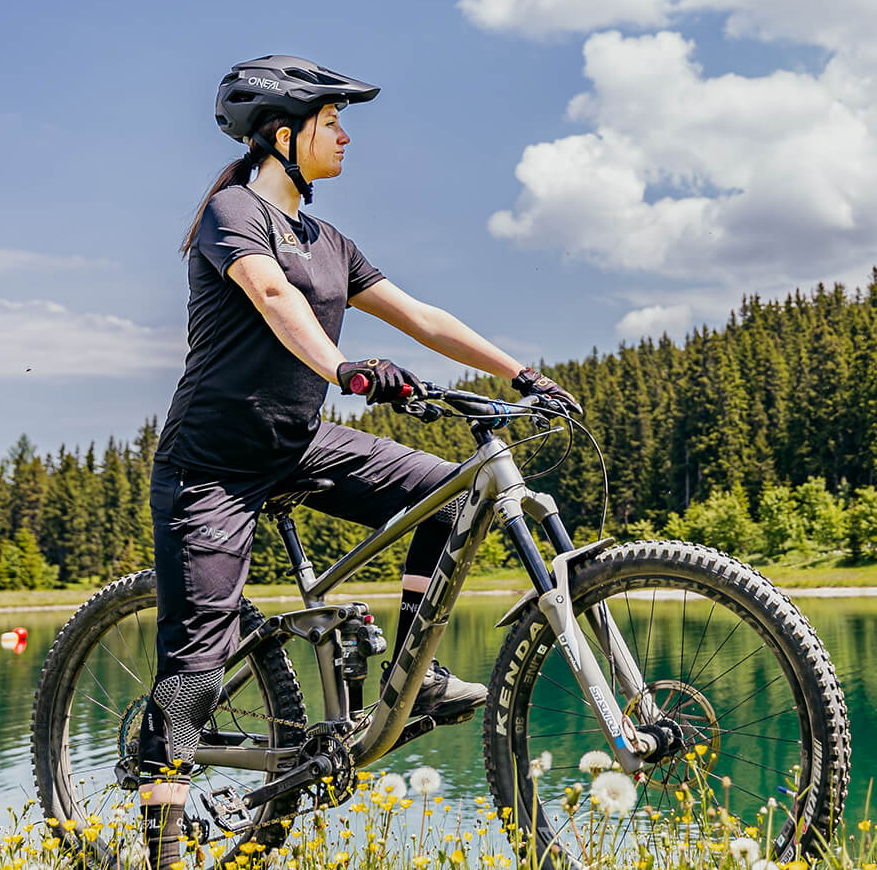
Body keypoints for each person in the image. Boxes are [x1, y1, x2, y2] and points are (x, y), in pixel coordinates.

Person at [138, 55, 579, 869]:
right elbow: (273, 298)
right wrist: (340, 368)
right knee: (194, 668)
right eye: (331, 121)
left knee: (446, 502)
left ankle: (416, 681)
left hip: (299, 443)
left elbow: (421, 316)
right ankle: (163, 850)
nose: (344, 135)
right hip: (213, 465)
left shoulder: (331, 241)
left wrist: (520, 372)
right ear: (282, 133)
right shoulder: (234, 214)